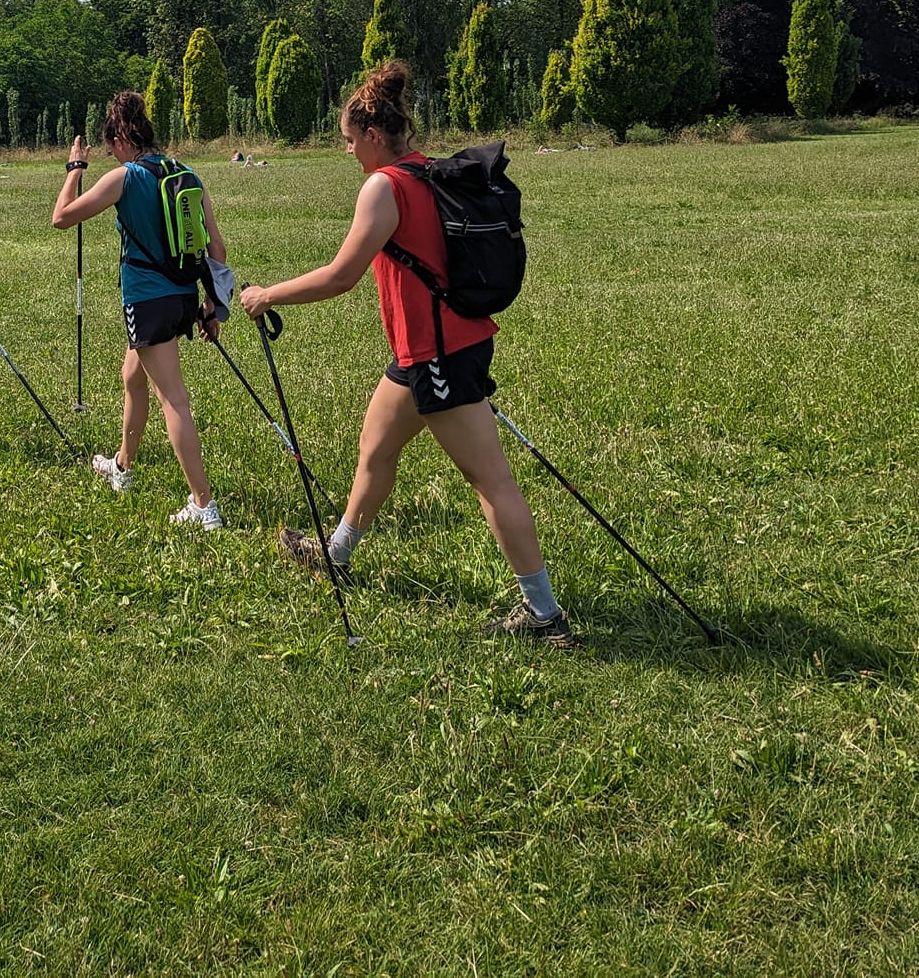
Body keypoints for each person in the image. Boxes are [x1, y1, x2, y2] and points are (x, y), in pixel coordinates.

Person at [238, 61, 575, 647]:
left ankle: (545, 616)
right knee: (375, 449)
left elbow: (342, 275)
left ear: (373, 134)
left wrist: (268, 295)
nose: (347, 150)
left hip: (437, 355)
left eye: (349, 139)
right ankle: (337, 553)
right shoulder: (425, 171)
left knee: (491, 481)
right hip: (433, 349)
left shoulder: (385, 186)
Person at [52, 91, 228, 531]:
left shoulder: (125, 177)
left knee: (174, 399)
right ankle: (123, 465)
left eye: (110, 146)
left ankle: (203, 505)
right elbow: (216, 247)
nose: (111, 154)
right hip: (184, 296)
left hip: (148, 301)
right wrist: (212, 307)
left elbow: (62, 217)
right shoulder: (186, 172)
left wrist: (75, 169)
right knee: (132, 374)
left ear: (120, 139)